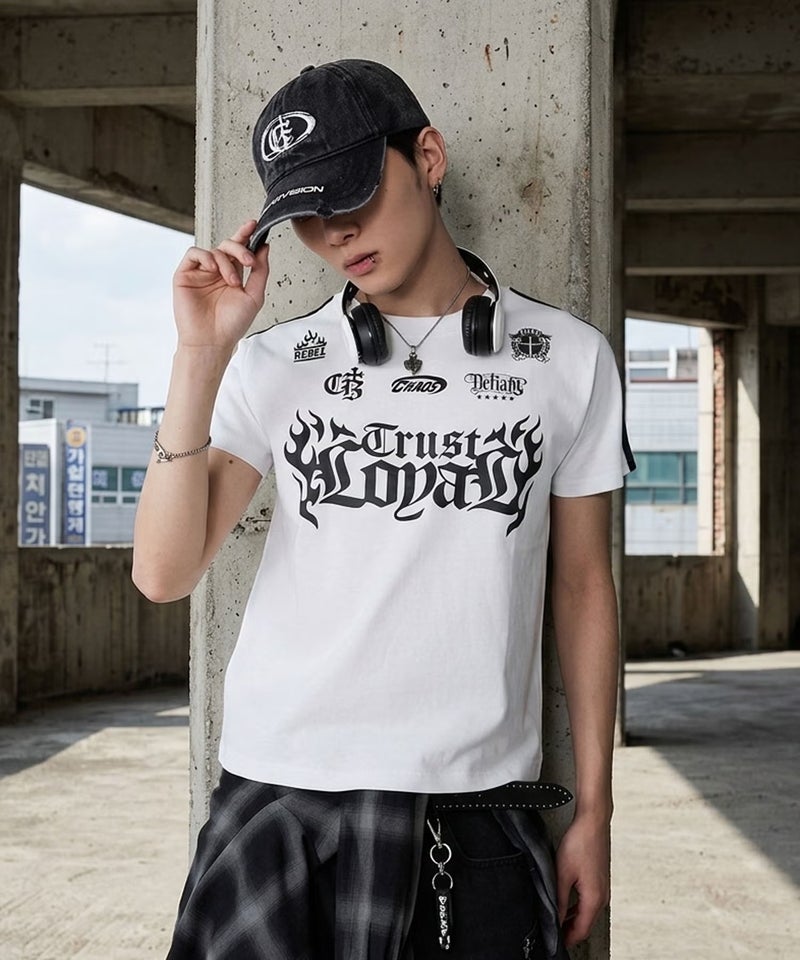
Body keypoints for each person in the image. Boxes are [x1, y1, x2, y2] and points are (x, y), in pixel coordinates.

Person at [133, 58, 633, 960]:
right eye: (308, 214)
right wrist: (200, 357)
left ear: (427, 157)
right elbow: (163, 574)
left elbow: (584, 587)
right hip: (281, 797)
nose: (336, 232)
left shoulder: (568, 359)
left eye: (353, 192)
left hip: (474, 806)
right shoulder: (272, 364)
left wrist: (594, 812)